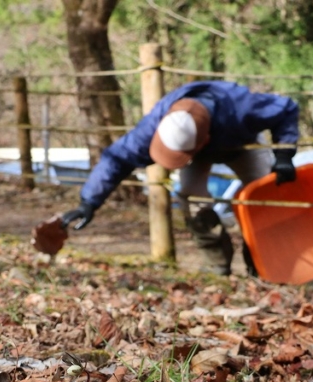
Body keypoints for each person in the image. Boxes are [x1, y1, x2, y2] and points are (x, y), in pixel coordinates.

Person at [61, 81, 300, 275]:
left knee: (266, 196)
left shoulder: (242, 107)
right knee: (191, 199)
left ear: (203, 140)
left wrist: (284, 154)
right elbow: (117, 158)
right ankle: (216, 264)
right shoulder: (153, 127)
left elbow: (287, 108)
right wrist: (89, 201)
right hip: (198, 153)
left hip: (242, 143)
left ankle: (262, 263)